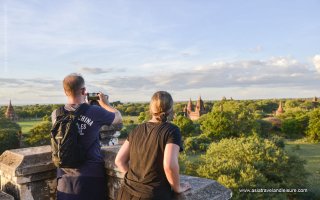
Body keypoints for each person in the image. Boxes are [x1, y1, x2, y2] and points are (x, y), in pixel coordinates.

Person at [51, 73, 122, 200]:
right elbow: (118, 118)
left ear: (65, 91)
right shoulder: (94, 111)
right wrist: (105, 104)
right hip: (91, 176)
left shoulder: (56, 115)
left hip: (64, 179)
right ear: (84, 91)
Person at [115, 91, 191, 200]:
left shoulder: (136, 129)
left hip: (126, 193)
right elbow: (169, 165)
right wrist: (177, 188)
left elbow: (119, 161)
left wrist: (137, 183)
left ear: (151, 109)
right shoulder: (172, 130)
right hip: (152, 195)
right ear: (171, 109)